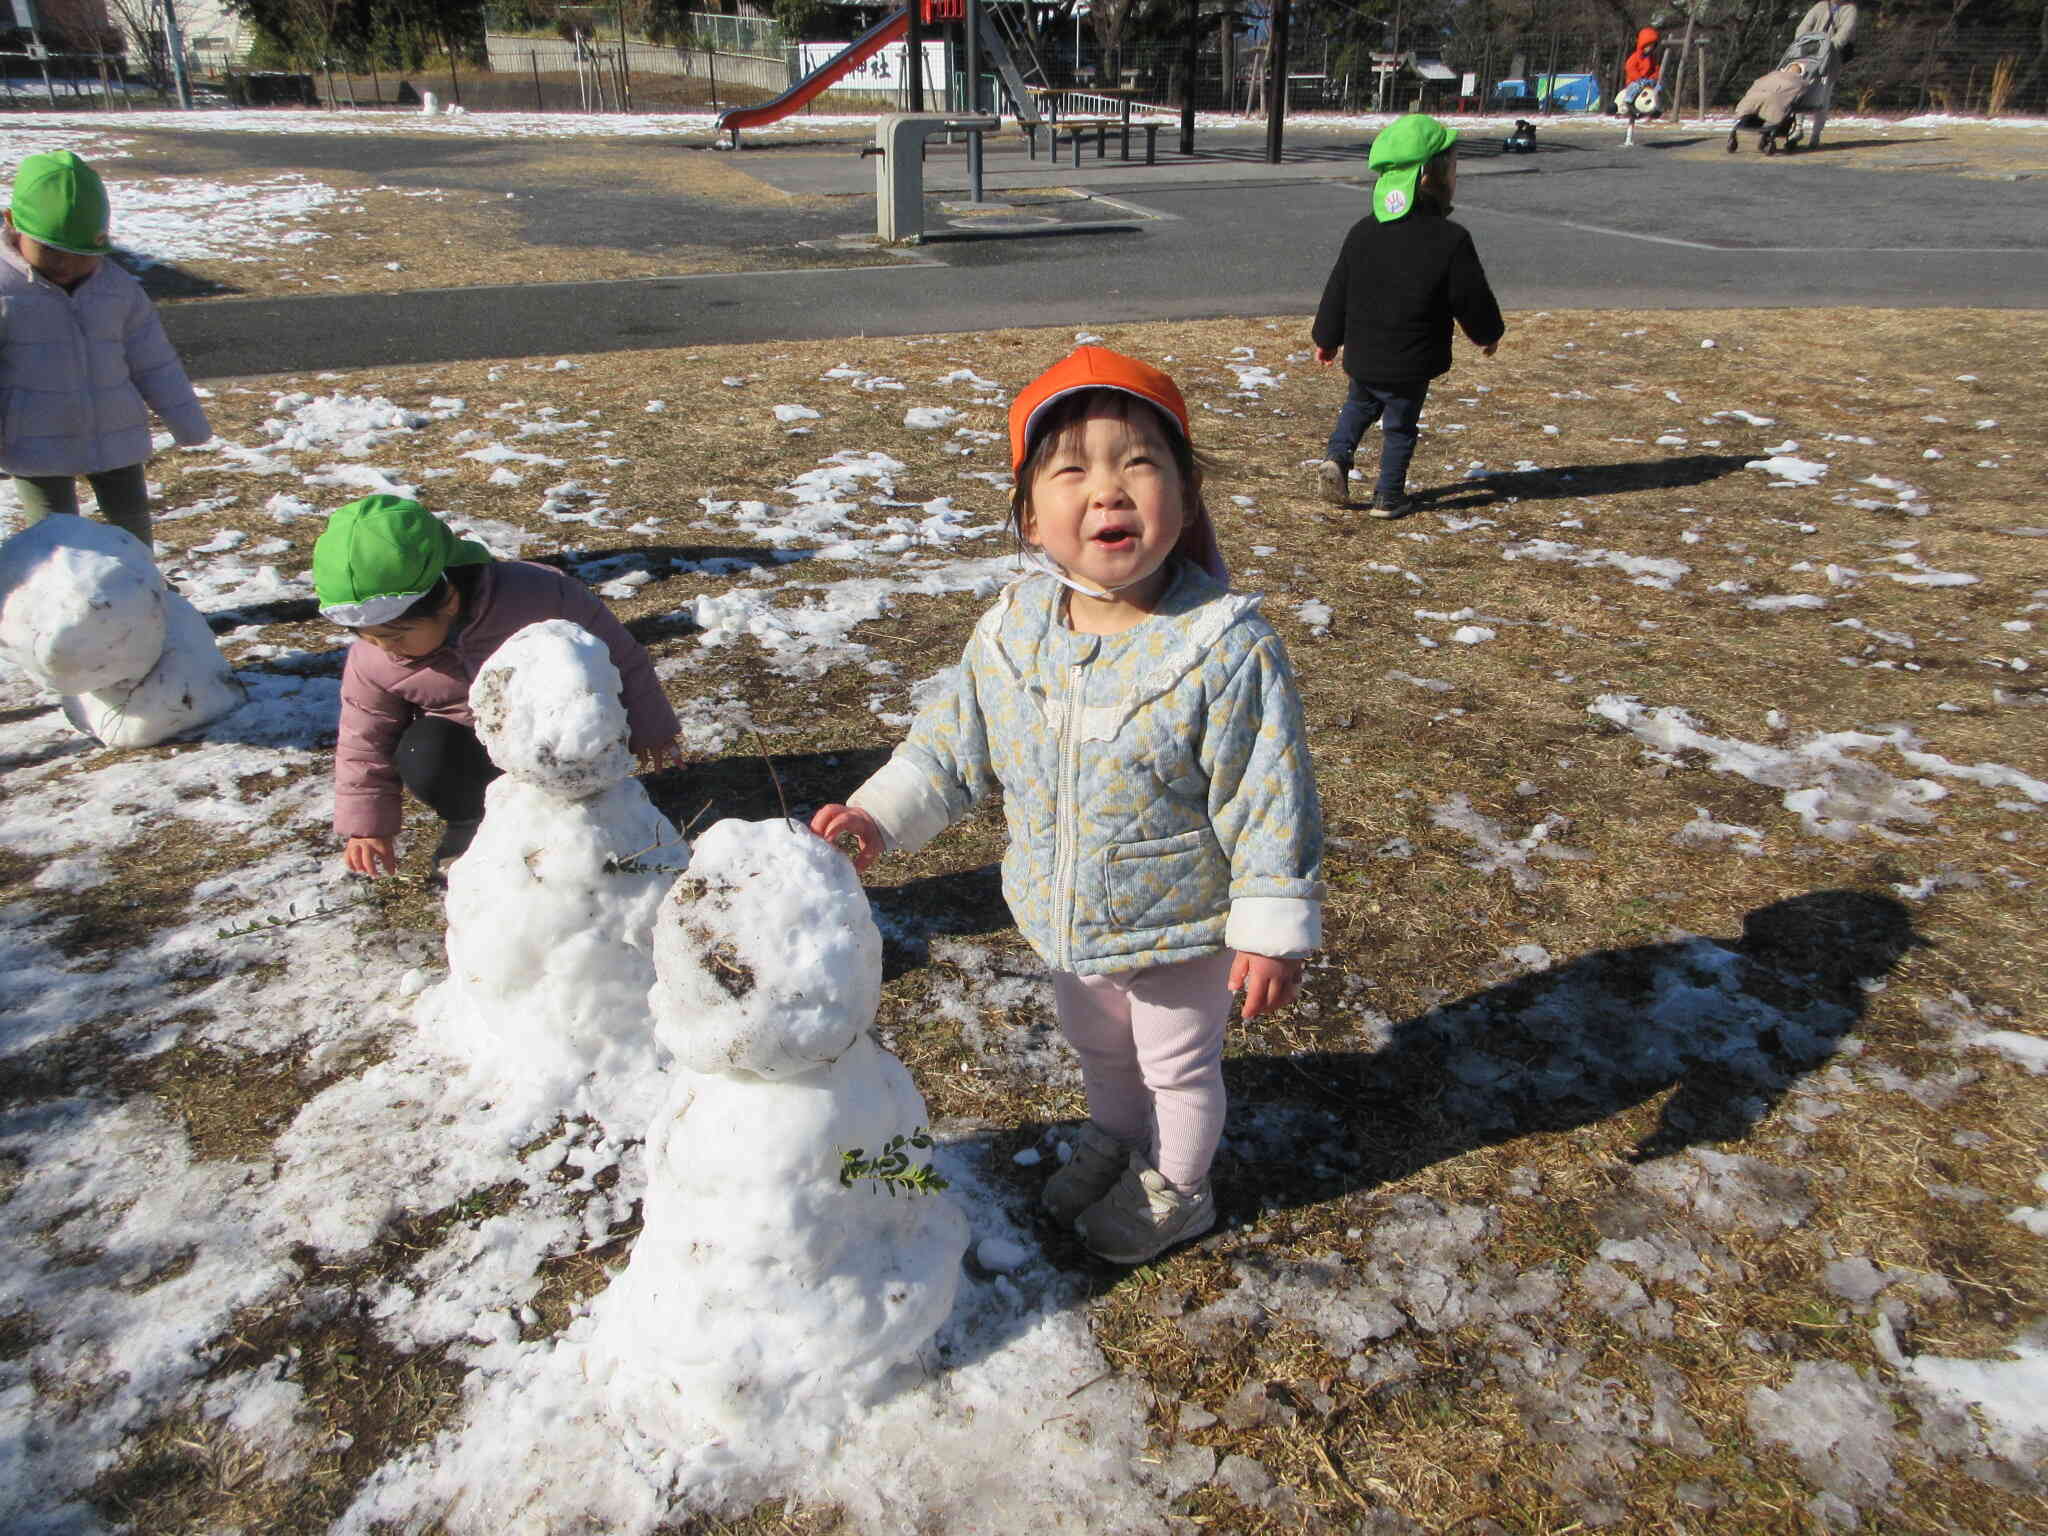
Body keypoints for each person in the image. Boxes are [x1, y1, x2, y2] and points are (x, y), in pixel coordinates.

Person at [808, 347, 1324, 1265]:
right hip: (1065, 921)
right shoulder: (1013, 631)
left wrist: (1272, 929)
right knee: (1100, 1048)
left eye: (1140, 463)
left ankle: (1179, 1188)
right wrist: (876, 813)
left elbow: (1268, 796)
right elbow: (950, 746)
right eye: (1073, 470)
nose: (1109, 491)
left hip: (1181, 926)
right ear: (1029, 517)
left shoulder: (1221, 647)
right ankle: (1117, 1142)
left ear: (1186, 495)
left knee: (1176, 1066)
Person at [315, 495, 684, 880]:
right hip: (470, 752)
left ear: (448, 601)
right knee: (423, 751)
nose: (385, 647)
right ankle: (473, 824)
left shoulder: (541, 595)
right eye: (367, 636)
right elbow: (364, 738)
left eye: (396, 634)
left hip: (555, 733)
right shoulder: (374, 658)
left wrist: (652, 729)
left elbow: (620, 656)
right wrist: (368, 826)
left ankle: (593, 817)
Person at [1, 151, 211, 553]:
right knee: (54, 542)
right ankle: (61, 590)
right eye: (51, 250)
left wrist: (189, 423)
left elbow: (154, 361)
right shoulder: (5, 290)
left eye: (82, 253)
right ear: (12, 222)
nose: (66, 265)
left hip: (116, 435)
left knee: (131, 530)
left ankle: (141, 582)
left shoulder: (117, 290)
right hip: (33, 441)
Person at [1311, 114, 1504, 519]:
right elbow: (1470, 297)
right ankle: (1389, 496)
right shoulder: (1450, 239)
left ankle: (1337, 458)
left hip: (1365, 355)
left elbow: (1338, 288)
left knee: (1358, 406)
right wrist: (1487, 333)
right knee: (1400, 426)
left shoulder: (1363, 232)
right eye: (1453, 169)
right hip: (1411, 361)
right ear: (1430, 178)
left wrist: (1326, 338)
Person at [1792, 0, 1857, 148]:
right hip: (1809, 55)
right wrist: (1805, 42)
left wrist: (1827, 48)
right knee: (1800, 91)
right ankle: (1798, 127)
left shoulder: (1850, 10)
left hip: (1831, 59)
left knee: (1823, 95)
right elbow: (1803, 27)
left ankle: (1815, 134)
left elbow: (1844, 34)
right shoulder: (1820, 6)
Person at [1617, 26, 1662, 118]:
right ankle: (1628, 101)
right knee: (1636, 86)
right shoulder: (1635, 57)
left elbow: (1655, 69)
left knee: (1658, 88)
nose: (1650, 48)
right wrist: (1639, 78)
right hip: (1636, 80)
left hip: (1648, 81)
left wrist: (1654, 78)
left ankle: (1655, 107)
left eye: (1652, 46)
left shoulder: (1652, 58)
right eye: (1649, 45)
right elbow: (1630, 68)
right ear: (1643, 45)